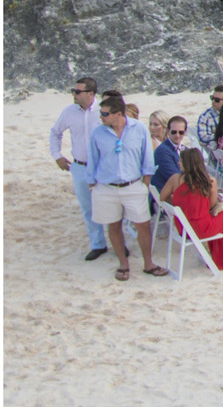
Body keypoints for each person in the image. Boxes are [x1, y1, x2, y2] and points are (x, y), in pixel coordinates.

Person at [84, 92, 161, 279]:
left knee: (142, 225)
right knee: (114, 226)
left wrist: (145, 184)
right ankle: (123, 264)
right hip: (106, 187)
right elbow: (92, 159)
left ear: (118, 114)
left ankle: (148, 263)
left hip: (133, 185)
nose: (101, 117)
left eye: (105, 113)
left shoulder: (139, 128)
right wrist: (92, 184)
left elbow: (147, 158)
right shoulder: (98, 132)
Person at [51, 77, 108, 260]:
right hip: (80, 166)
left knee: (112, 204)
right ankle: (98, 244)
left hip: (104, 167)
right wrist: (57, 155)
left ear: (91, 94)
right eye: (73, 91)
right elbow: (55, 132)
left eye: (77, 91)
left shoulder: (104, 110)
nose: (74, 94)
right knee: (87, 207)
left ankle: (120, 243)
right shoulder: (68, 112)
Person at [171, 149, 223, 269]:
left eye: (181, 161)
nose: (178, 163)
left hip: (183, 229)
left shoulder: (175, 179)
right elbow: (212, 207)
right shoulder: (209, 182)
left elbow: (162, 197)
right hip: (202, 229)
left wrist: (180, 203)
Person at [153, 114, 190, 203]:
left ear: (185, 132)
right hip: (167, 197)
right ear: (168, 131)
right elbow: (175, 178)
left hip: (180, 192)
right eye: (174, 132)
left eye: (181, 132)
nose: (177, 135)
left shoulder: (185, 149)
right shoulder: (162, 151)